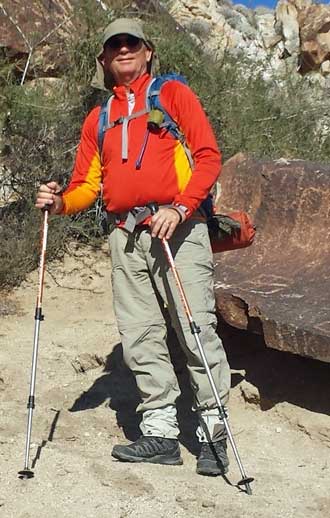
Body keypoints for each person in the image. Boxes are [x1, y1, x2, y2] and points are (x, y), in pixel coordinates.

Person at [36, 18, 231, 476]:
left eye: (132, 42)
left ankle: (213, 435)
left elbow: (208, 156)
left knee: (194, 327)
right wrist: (60, 202)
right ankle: (160, 432)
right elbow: (87, 185)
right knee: (140, 334)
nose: (123, 49)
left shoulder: (174, 95)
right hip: (125, 236)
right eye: (113, 45)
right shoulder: (98, 118)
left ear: (147, 52)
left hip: (177, 229)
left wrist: (181, 209)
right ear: (103, 59)